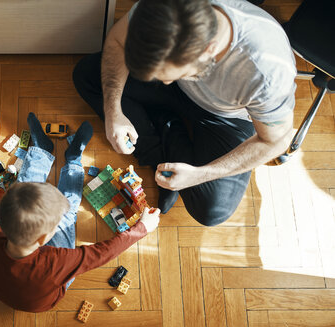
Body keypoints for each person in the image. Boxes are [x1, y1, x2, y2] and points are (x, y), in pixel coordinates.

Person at [72, 0, 296, 226]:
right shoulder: (160, 10)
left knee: (211, 210)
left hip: (225, 117)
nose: (166, 81)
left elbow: (275, 141)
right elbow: (117, 41)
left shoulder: (267, 71)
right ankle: (158, 155)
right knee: (86, 74)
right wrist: (113, 111)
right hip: (179, 93)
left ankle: (162, 123)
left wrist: (200, 175)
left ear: (209, 48)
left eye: (175, 73)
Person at [0, 113, 161, 312]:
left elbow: (6, 211)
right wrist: (142, 228)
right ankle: (73, 161)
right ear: (43, 240)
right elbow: (102, 253)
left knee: (21, 193)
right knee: (67, 214)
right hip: (47, 297)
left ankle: (41, 150)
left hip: (10, 285)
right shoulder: (56, 263)